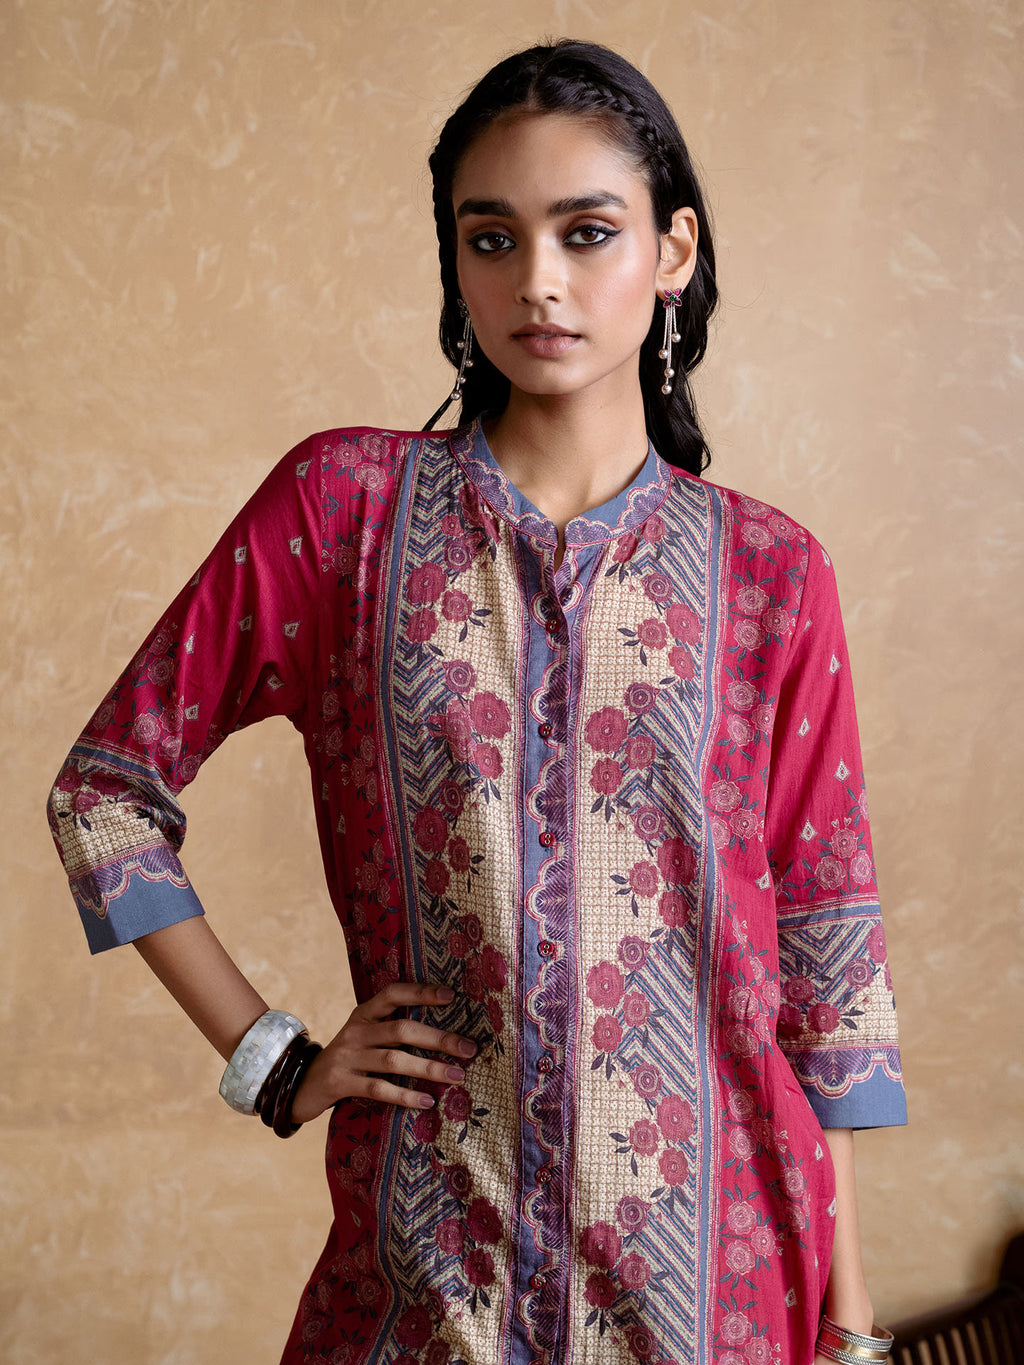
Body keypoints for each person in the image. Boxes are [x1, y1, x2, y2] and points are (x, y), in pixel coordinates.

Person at [47, 39, 906, 1365]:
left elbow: (830, 966)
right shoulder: (342, 511)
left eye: (588, 231)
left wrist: (848, 1323)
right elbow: (106, 791)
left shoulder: (771, 572)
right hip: (435, 1265)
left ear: (673, 251)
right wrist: (275, 1059)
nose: (540, 280)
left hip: (719, 1292)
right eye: (491, 237)